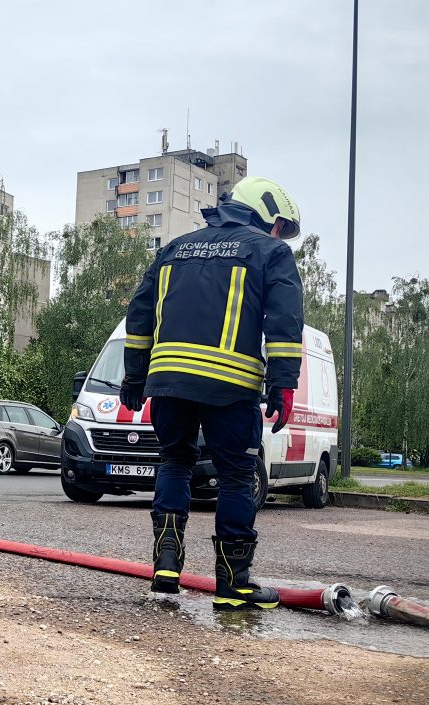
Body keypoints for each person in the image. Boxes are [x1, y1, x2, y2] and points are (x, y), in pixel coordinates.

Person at [120, 176, 303, 611]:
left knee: (175, 461)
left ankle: (166, 568)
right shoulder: (270, 252)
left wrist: (133, 377)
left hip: (169, 382)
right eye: (279, 226)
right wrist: (283, 384)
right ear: (265, 213)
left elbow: (140, 315)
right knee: (237, 475)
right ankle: (234, 585)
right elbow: (283, 323)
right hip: (231, 385)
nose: (278, 236)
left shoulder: (174, 249)